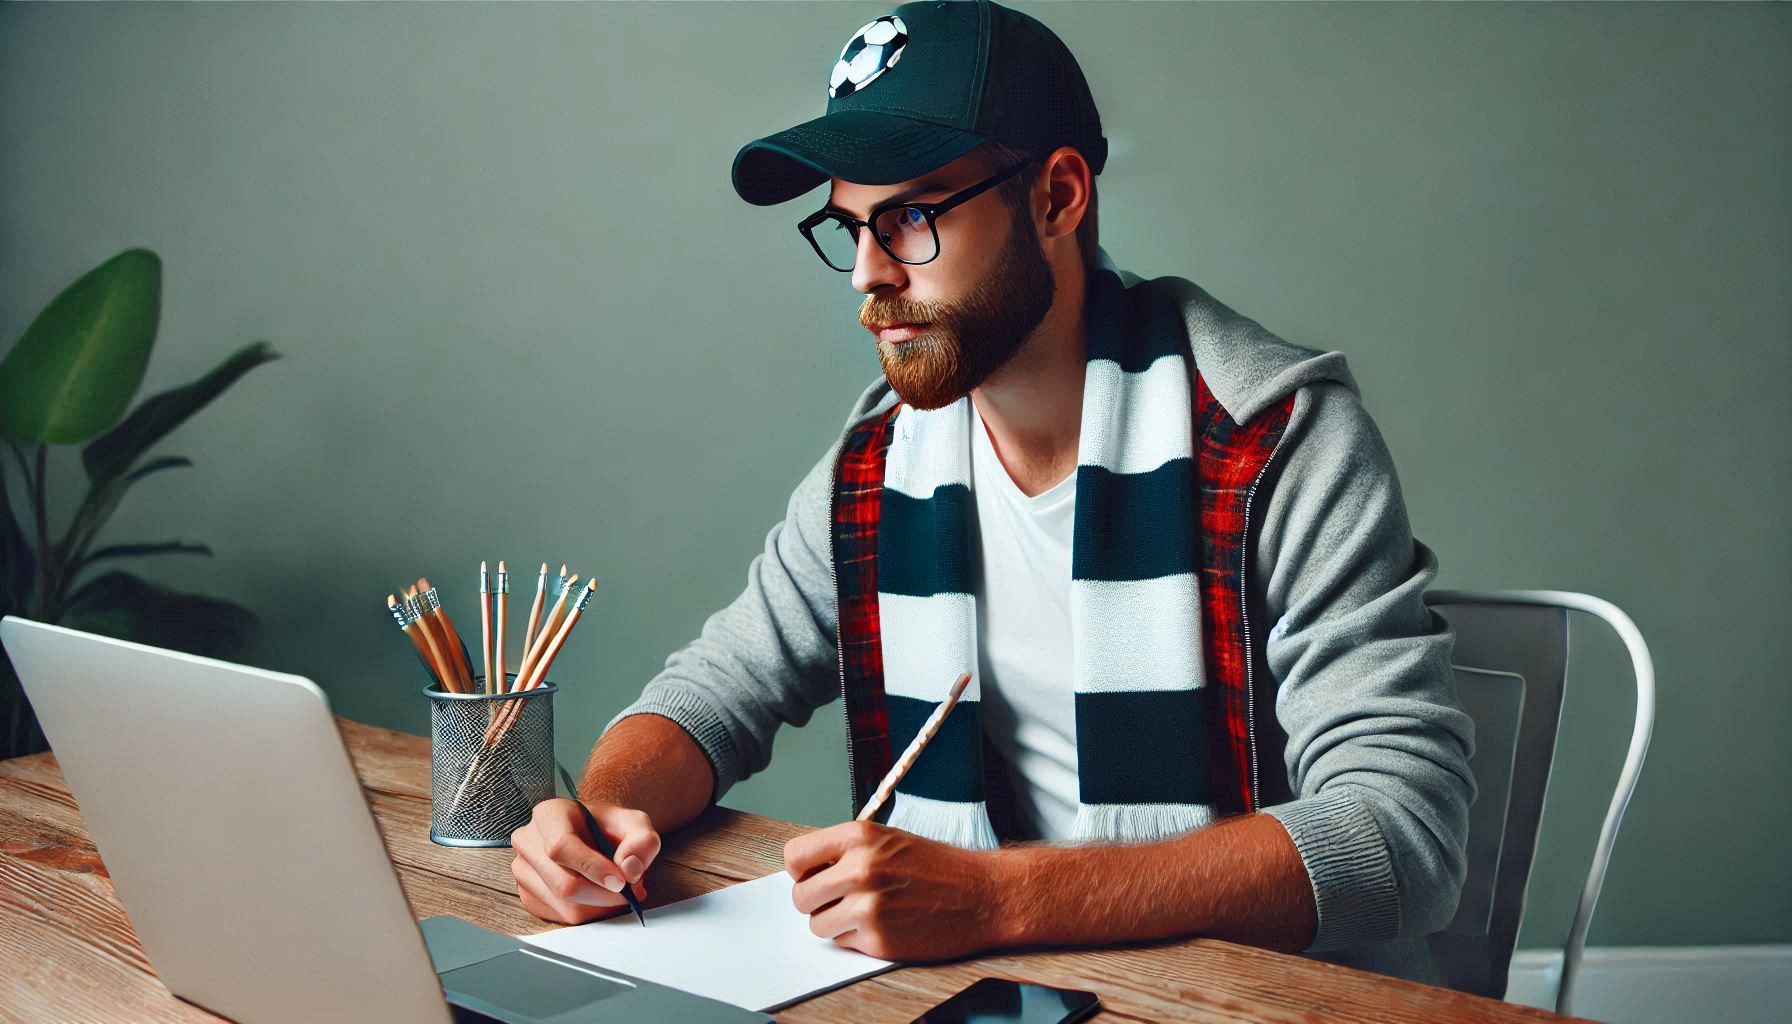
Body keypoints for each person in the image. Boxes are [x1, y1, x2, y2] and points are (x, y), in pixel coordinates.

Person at [510, 0, 1475, 985]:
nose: (867, 275)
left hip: (1261, 998)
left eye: (912, 218)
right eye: (848, 228)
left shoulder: (1274, 440)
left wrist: (997, 897)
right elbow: (713, 690)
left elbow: (1401, 833)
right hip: (1010, 991)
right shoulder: (882, 461)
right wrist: (603, 812)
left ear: (1056, 196)